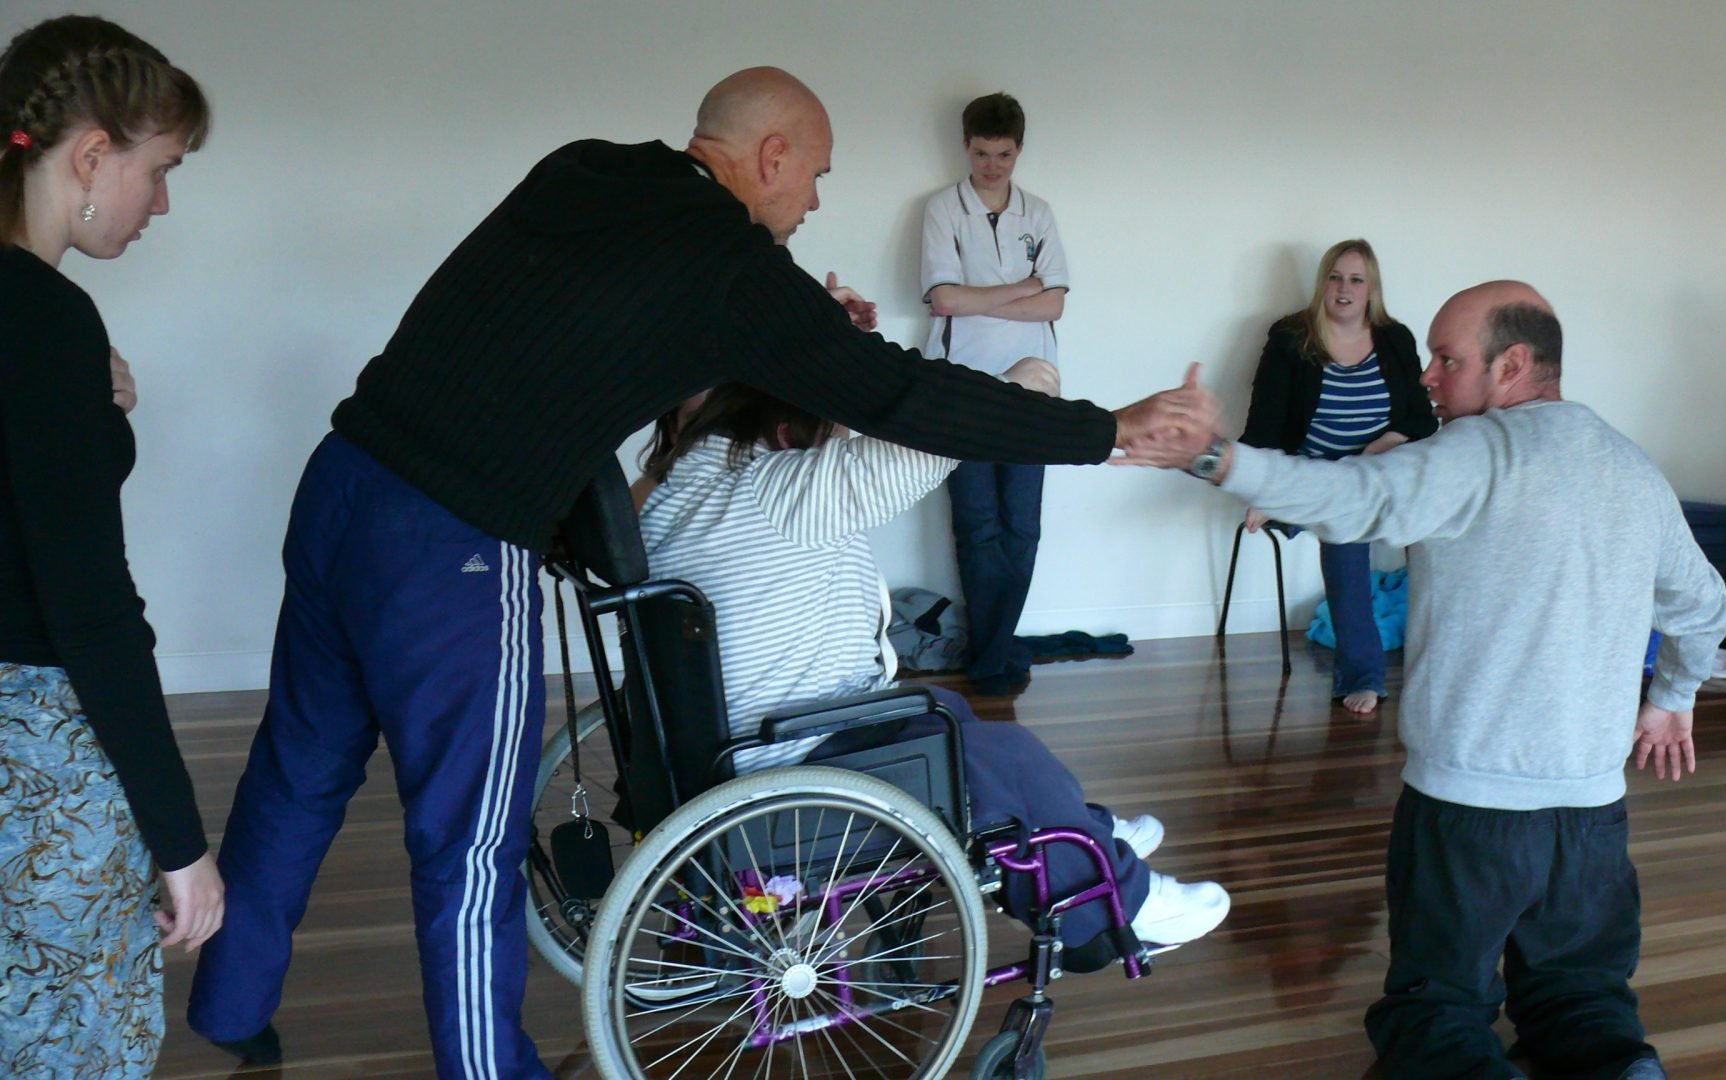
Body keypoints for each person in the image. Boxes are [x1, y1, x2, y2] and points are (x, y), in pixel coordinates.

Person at [186, 67, 1212, 1077]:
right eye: (815, 176)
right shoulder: (728, 263)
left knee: (297, 766)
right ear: (769, 156)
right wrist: (1103, 429)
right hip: (450, 540)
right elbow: (900, 397)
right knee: (468, 845)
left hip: (346, 477)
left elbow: (610, 331)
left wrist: (804, 333)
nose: (814, 202)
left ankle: (234, 1003)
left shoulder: (584, 171)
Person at [1127, 282, 1726, 1080]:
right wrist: (1672, 700)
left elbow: (1351, 501)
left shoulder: (1478, 453)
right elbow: (1705, 605)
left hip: (1470, 814)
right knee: (1583, 1000)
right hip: (1591, 817)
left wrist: (1214, 455)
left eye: (1448, 360)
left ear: (1513, 364)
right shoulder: (1629, 464)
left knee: (1434, 1007)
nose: (1429, 380)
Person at [637, 374, 1232, 953]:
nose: (839, 439)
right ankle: (1109, 904)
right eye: (831, 425)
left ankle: (1079, 830)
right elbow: (946, 434)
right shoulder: (779, 490)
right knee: (1004, 753)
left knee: (948, 711)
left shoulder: (671, 495)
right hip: (794, 768)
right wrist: (1021, 385)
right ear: (786, 428)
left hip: (733, 749)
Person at [0, 15, 222, 1076]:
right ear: (91, 155)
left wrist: (99, 411)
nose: (162, 203)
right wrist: (182, 847)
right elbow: (88, 607)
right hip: (34, 754)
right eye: (160, 168)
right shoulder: (43, 323)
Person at [1240, 239, 1437, 714]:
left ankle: (1441, 656)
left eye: (1355, 280)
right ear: (1322, 283)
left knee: (1439, 528)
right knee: (1346, 529)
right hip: (1313, 477)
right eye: (1335, 277)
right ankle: (1362, 674)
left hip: (1381, 472)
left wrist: (1387, 441)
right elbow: (1265, 421)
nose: (1343, 289)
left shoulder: (1395, 339)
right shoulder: (1292, 338)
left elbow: (1422, 418)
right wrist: (1265, 489)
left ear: (1372, 290)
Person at [920, 92, 1069, 695]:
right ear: (966, 147)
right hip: (963, 386)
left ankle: (994, 651)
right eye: (982, 154)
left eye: (1004, 154)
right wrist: (1022, 287)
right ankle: (993, 657)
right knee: (977, 524)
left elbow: (1055, 302)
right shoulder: (940, 210)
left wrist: (987, 294)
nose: (992, 166)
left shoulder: (1039, 213)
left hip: (1036, 387)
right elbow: (944, 300)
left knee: (1022, 527)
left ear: (1019, 151)